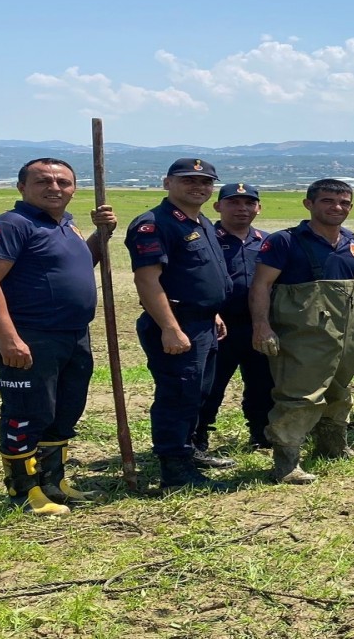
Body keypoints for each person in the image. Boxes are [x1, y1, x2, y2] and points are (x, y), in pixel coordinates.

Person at [0, 157, 116, 515]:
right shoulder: (11, 225)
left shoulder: (66, 225)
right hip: (30, 336)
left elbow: (81, 264)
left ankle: (54, 483)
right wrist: (9, 338)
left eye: (63, 182)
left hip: (72, 335)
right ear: (22, 187)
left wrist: (102, 235)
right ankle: (24, 492)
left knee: (64, 410)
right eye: (43, 182)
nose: (55, 188)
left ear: (73, 188)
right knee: (27, 413)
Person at [250, 178, 354, 484]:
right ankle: (286, 463)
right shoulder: (284, 241)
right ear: (309, 204)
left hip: (349, 331)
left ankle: (333, 446)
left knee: (339, 388)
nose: (337, 207)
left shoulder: (352, 240)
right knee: (300, 393)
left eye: (344, 203)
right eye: (328, 201)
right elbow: (261, 284)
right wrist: (261, 326)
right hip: (304, 332)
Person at [125, 158, 233, 492]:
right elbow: (147, 280)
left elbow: (195, 275)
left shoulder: (201, 222)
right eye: (188, 180)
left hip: (202, 323)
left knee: (198, 394)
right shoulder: (155, 223)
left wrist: (212, 311)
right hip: (177, 324)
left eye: (205, 182)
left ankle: (190, 452)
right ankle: (175, 471)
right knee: (178, 396)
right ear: (167, 183)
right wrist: (170, 327)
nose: (198, 187)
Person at [193, 182, 275, 457]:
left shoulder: (268, 242)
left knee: (263, 384)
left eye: (249, 203)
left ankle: (262, 434)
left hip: (259, 325)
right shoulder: (206, 239)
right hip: (218, 327)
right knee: (210, 386)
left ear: (258, 208)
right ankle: (198, 439)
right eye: (233, 202)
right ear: (218, 206)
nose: (242, 208)